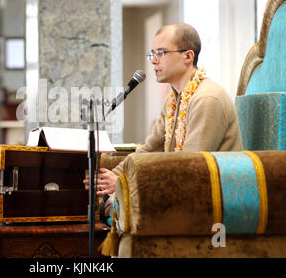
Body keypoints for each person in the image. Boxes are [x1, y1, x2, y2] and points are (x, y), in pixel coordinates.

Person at [84, 23, 242, 201]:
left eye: (161, 53)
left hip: (210, 197)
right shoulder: (173, 99)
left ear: (187, 56)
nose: (153, 60)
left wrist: (123, 183)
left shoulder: (207, 99)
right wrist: (113, 177)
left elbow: (189, 166)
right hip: (181, 185)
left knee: (117, 201)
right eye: (152, 54)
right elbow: (151, 148)